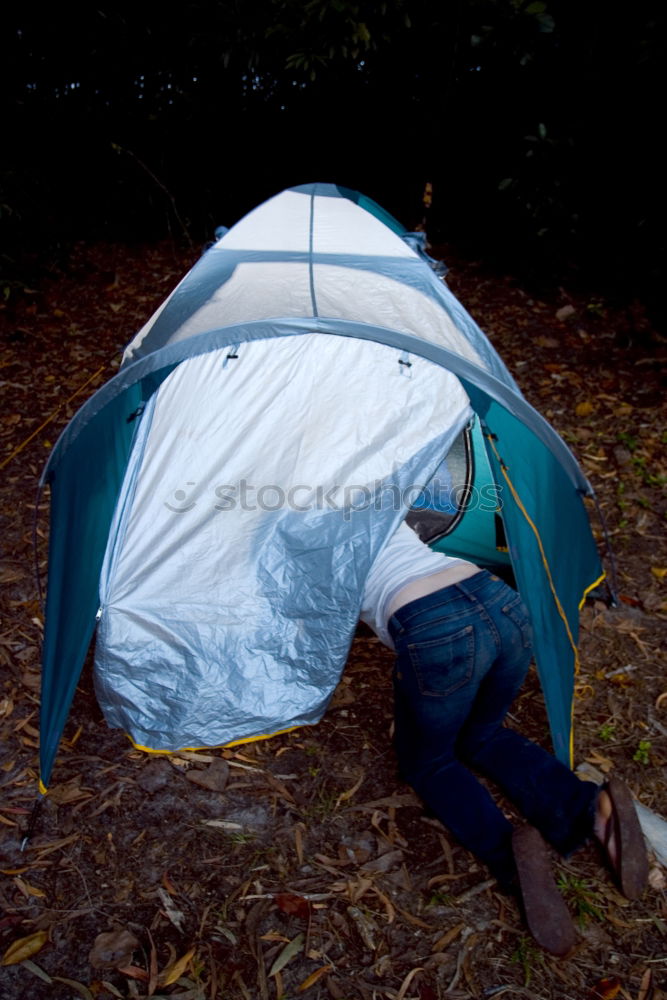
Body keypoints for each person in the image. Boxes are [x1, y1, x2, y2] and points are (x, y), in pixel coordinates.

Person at [360, 520, 648, 956]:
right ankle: (589, 807)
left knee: (430, 763)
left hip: (434, 628)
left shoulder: (291, 520)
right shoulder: (372, 489)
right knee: (484, 734)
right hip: (499, 600)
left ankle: (512, 857)